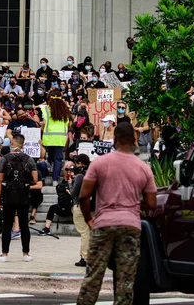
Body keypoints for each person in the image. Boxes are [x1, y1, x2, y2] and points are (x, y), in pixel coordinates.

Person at [77, 123, 157, 305]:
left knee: (93, 277)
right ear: (134, 140)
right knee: (126, 280)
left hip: (103, 223)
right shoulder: (143, 167)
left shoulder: (100, 163)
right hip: (130, 225)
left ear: (115, 140)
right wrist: (133, 205)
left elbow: (84, 195)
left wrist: (89, 218)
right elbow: (152, 203)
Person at [0, 133, 38, 262]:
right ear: (23, 144)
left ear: (13, 143)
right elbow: (35, 179)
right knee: (24, 225)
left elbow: (0, 179)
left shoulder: (5, 159)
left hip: (9, 194)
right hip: (23, 194)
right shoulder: (29, 159)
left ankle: (4, 254)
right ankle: (26, 254)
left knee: (7, 225)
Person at [37, 161, 75, 236]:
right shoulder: (63, 182)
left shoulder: (76, 180)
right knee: (52, 208)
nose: (68, 171)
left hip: (72, 208)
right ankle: (46, 229)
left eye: (69, 169)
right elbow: (65, 173)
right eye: (66, 169)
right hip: (62, 207)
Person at [41, 90, 70, 184]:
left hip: (48, 137)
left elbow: (44, 122)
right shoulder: (65, 109)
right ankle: (55, 179)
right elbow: (67, 124)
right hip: (60, 138)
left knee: (50, 155)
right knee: (58, 159)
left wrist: (41, 128)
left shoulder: (46, 109)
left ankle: (51, 166)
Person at [70, 154, 91, 267]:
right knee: (90, 232)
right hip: (94, 207)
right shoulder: (93, 174)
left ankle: (85, 257)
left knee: (84, 232)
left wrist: (70, 183)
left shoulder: (80, 176)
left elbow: (73, 193)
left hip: (81, 206)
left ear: (80, 163)